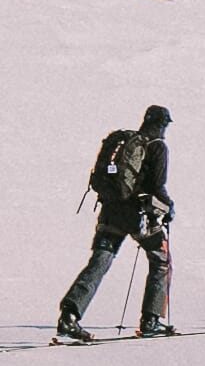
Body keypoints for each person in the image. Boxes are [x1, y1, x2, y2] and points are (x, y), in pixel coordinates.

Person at [56, 104, 174, 340]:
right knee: (161, 260)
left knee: (100, 261)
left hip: (110, 211)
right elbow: (157, 186)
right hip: (137, 215)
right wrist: (169, 207)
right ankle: (150, 320)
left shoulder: (127, 142)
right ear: (162, 125)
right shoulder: (156, 146)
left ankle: (69, 316)